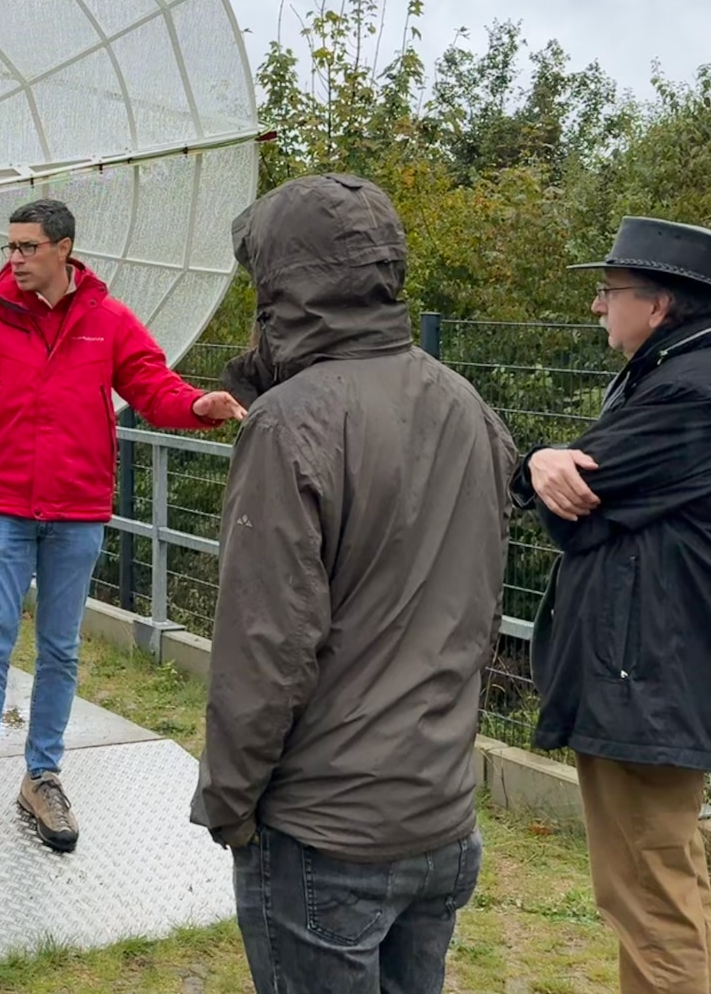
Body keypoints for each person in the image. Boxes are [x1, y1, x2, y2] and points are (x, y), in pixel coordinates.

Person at [192, 173, 513, 994]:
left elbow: (266, 648)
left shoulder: (288, 424)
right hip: (440, 816)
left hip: (325, 834)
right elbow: (476, 610)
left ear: (282, 283)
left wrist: (228, 801)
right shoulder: (468, 407)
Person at [0, 197, 243, 864]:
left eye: (28, 248)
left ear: (64, 249)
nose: (16, 259)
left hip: (76, 514)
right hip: (5, 509)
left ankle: (42, 779)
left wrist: (199, 407)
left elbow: (153, 388)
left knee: (60, 651)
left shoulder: (108, 322)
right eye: (11, 248)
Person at [517, 217, 711, 994]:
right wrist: (542, 462)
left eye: (609, 292)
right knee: (655, 886)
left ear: (660, 305)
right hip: (651, 671)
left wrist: (540, 468)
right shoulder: (694, 374)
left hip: (652, 675)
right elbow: (565, 482)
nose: (598, 309)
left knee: (649, 895)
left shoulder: (702, 391)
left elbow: (574, 504)